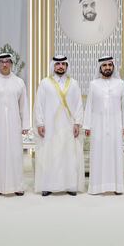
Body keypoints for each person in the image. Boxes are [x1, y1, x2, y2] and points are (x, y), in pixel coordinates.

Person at [34, 55, 84, 196]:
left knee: (69, 155)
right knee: (50, 154)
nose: (60, 66)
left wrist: (78, 123)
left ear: (67, 66)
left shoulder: (73, 83)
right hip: (50, 127)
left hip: (68, 126)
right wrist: (40, 123)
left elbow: (79, 104)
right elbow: (38, 104)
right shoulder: (45, 83)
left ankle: (70, 185)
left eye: (63, 64)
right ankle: (48, 185)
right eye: (58, 64)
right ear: (53, 66)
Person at [0, 52, 29, 196]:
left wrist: (25, 125)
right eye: (2, 62)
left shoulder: (19, 82)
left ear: (11, 64)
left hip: (14, 124)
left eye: (7, 61)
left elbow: (23, 105)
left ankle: (18, 186)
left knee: (15, 155)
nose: (4, 64)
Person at [83, 56, 124, 195]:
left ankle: (117, 186)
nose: (108, 68)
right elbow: (89, 106)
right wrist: (87, 126)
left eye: (110, 65)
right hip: (98, 125)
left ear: (113, 67)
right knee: (98, 155)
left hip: (116, 125)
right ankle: (97, 187)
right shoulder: (93, 84)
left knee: (115, 154)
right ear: (100, 68)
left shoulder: (120, 83)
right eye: (105, 65)